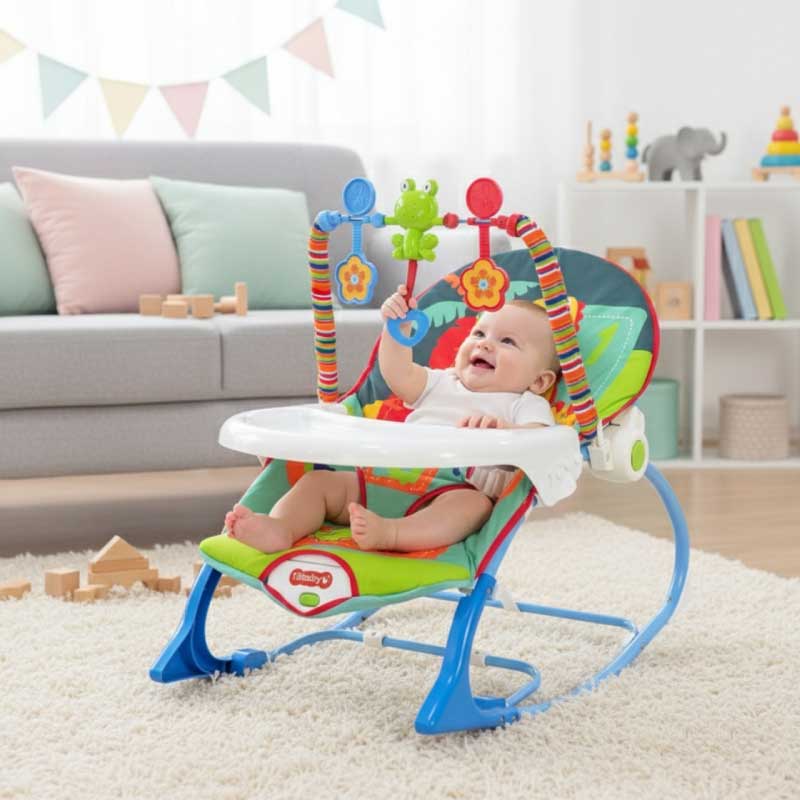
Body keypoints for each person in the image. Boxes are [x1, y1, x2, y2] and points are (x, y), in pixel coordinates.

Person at [225, 284, 559, 554]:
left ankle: (391, 533)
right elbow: (398, 373)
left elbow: (542, 442)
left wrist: (504, 432)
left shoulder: (523, 404)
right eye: (479, 333)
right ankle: (281, 528)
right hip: (382, 476)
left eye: (507, 341)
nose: (485, 345)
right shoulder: (441, 381)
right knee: (318, 483)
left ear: (539, 380)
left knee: (474, 507)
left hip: (446, 489)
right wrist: (397, 331)